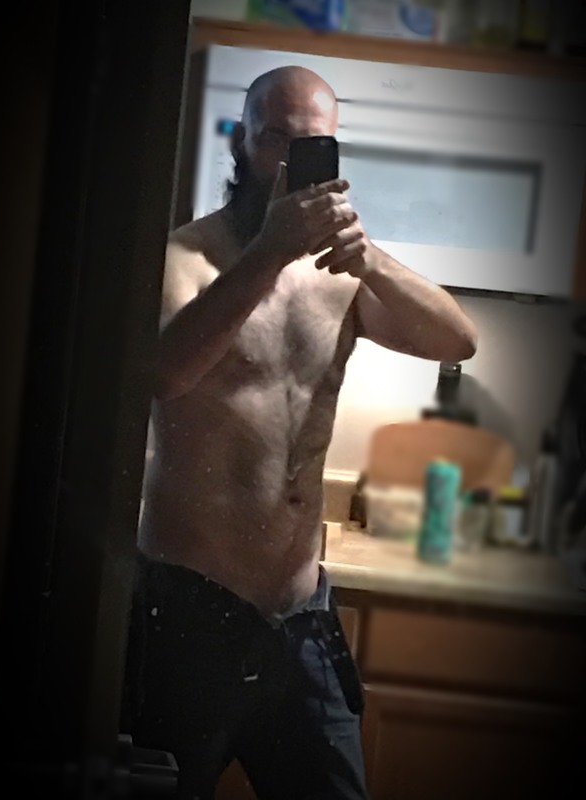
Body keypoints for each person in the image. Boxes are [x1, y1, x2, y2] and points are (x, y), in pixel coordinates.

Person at [123, 65, 478, 799]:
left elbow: (458, 340)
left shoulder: (341, 278)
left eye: (309, 144)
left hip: (302, 616)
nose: (287, 161)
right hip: (190, 614)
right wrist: (267, 252)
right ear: (239, 141)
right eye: (273, 139)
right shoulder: (184, 259)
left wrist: (370, 258)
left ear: (334, 152)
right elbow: (163, 375)